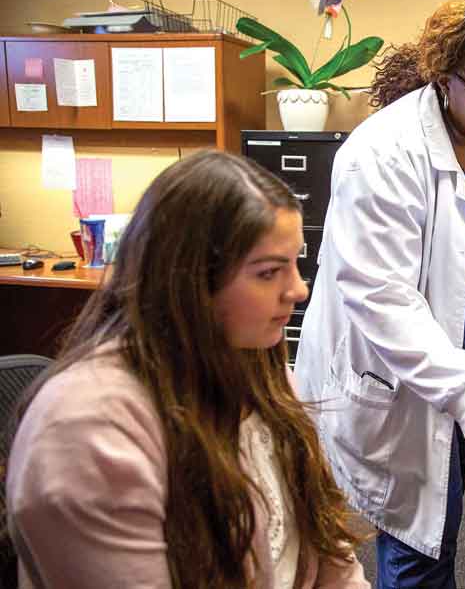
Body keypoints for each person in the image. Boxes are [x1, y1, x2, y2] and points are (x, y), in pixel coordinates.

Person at [4, 151, 368, 589]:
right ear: (191, 281)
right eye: (270, 272)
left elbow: (329, 552)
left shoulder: (258, 370)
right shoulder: (86, 429)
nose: (298, 288)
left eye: (295, 264)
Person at [294, 0, 465, 588]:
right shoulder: (382, 154)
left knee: (445, 525)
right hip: (400, 381)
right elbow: (382, 297)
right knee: (418, 542)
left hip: (461, 368)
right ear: (443, 78)